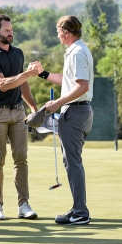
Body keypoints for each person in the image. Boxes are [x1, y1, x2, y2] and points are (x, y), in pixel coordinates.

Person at [0, 14, 42, 221]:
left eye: (11, 29)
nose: (10, 33)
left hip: (18, 112)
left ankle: (24, 205)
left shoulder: (18, 53)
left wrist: (33, 107)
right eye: (6, 30)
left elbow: (22, 83)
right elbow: (3, 84)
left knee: (21, 159)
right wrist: (28, 73)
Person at [40, 15, 94, 225]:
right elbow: (68, 81)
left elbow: (82, 86)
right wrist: (42, 73)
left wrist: (58, 103)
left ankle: (80, 212)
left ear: (66, 32)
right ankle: (78, 209)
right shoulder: (77, 50)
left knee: (73, 163)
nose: (57, 36)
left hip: (75, 112)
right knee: (72, 162)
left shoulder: (77, 53)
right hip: (78, 110)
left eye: (58, 32)